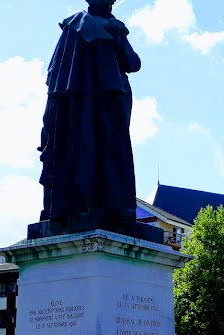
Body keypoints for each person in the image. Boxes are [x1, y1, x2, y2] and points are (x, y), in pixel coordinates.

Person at [37, 0, 143, 237]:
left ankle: (109, 207)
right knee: (87, 148)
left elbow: (133, 63)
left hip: (107, 100)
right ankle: (85, 205)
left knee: (108, 151)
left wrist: (118, 35)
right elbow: (58, 75)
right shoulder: (77, 25)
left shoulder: (110, 26)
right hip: (85, 101)